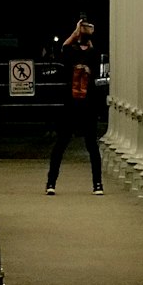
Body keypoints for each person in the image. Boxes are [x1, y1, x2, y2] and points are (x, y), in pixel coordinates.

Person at [45, 18, 104, 195]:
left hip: (87, 102)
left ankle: (97, 183)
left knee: (91, 145)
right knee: (61, 143)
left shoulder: (94, 53)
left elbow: (94, 65)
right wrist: (75, 33)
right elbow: (63, 47)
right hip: (71, 102)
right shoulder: (71, 51)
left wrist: (87, 70)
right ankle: (51, 182)